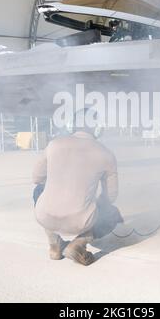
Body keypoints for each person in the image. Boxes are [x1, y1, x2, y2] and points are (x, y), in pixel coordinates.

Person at [32, 109, 123, 266]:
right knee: (112, 213)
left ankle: (54, 244)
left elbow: (36, 178)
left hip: (45, 217)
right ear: (98, 128)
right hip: (81, 222)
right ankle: (79, 243)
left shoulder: (54, 145)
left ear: (71, 125)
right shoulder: (106, 153)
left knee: (38, 189)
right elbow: (111, 196)